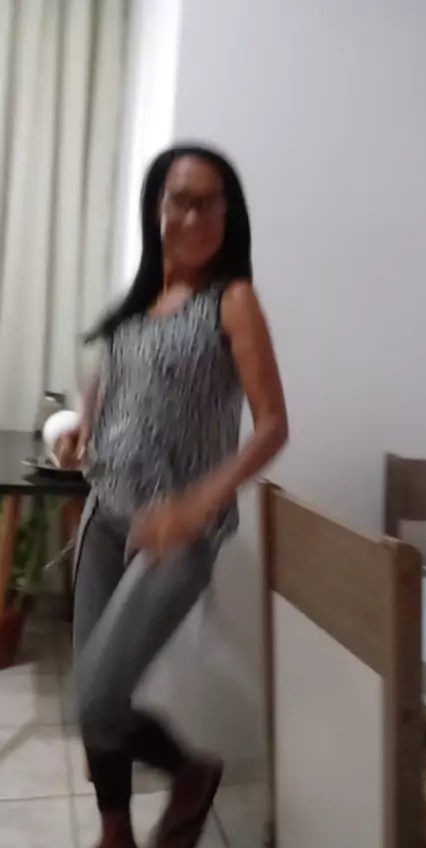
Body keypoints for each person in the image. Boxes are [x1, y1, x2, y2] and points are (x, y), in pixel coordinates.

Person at [57, 144, 288, 848]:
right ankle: (116, 829)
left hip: (180, 529)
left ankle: (192, 770)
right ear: (156, 208)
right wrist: (85, 423)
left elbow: (273, 426)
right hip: (106, 513)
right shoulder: (139, 302)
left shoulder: (232, 300)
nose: (195, 216)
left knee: (95, 694)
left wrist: (194, 505)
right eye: (180, 200)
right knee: (95, 695)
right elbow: (113, 374)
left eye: (211, 202)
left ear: (229, 214)